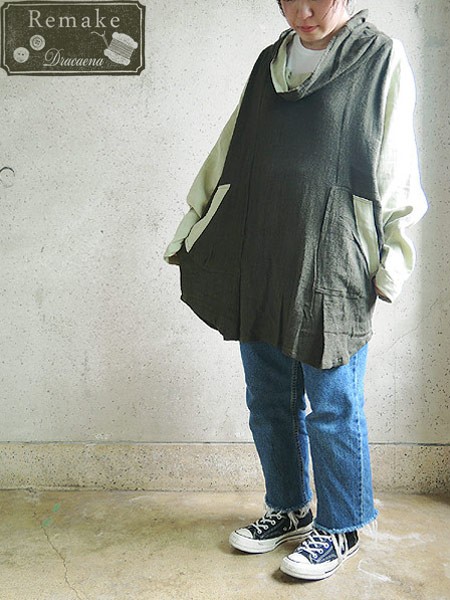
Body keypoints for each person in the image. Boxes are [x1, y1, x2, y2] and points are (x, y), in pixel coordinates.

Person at [164, 0, 427, 581]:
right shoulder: (270, 62)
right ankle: (288, 508)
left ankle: (343, 524)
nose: (302, 11)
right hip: (261, 247)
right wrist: (196, 217)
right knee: (268, 400)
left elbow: (396, 159)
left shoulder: (379, 57)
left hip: (333, 254)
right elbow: (232, 146)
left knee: (332, 405)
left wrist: (395, 254)